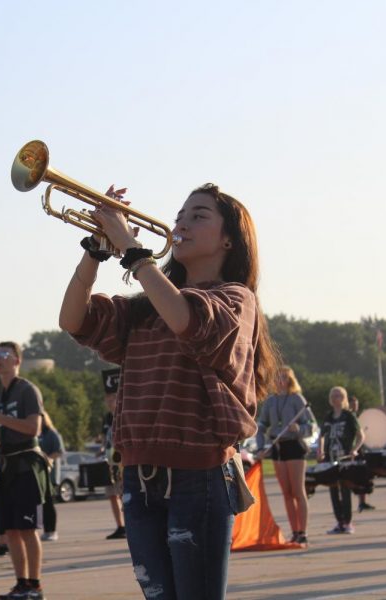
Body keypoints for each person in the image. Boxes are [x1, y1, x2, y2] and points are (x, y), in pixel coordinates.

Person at [59, 183, 277, 599]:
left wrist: (128, 246)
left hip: (198, 476)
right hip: (140, 477)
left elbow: (186, 319)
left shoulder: (235, 298)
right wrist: (95, 249)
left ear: (229, 238)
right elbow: (73, 319)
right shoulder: (147, 306)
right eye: (180, 215)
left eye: (199, 216)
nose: (182, 224)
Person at [0, 341, 49, 600]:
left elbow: (34, 429)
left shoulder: (27, 390)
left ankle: (35, 585)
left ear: (17, 361)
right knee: (10, 531)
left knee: (28, 529)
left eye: (4, 355)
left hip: (26, 464)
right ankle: (21, 583)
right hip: (5, 466)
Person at [255, 366, 314, 545]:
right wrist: (260, 447)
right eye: (278, 377)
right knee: (286, 493)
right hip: (277, 447)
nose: (280, 381)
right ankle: (294, 531)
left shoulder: (297, 399)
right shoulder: (270, 401)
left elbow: (311, 425)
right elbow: (261, 426)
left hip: (294, 446)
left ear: (289, 380)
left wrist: (300, 429)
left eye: (284, 378)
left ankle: (303, 531)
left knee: (298, 491)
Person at [316, 387, 364, 535]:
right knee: (333, 490)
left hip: (345, 458)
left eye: (339, 395)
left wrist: (355, 449)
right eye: (334, 395)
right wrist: (320, 450)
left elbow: (361, 435)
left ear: (344, 398)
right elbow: (322, 436)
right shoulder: (329, 416)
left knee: (345, 489)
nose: (336, 398)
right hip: (331, 458)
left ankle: (348, 522)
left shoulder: (349, 416)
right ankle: (339, 522)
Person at [99, 368, 126, 540]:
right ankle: (120, 525)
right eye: (108, 399)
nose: (111, 402)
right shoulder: (106, 419)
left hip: (123, 460)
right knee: (112, 494)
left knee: (125, 493)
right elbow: (104, 438)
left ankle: (131, 523)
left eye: (114, 398)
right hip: (110, 462)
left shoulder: (123, 415)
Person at [38, 410, 64, 542]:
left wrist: (47, 458)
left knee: (49, 503)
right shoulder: (38, 434)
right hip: (40, 475)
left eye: (41, 418)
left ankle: (52, 531)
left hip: (51, 474)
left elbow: (59, 451)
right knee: (43, 504)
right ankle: (46, 530)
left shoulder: (52, 434)